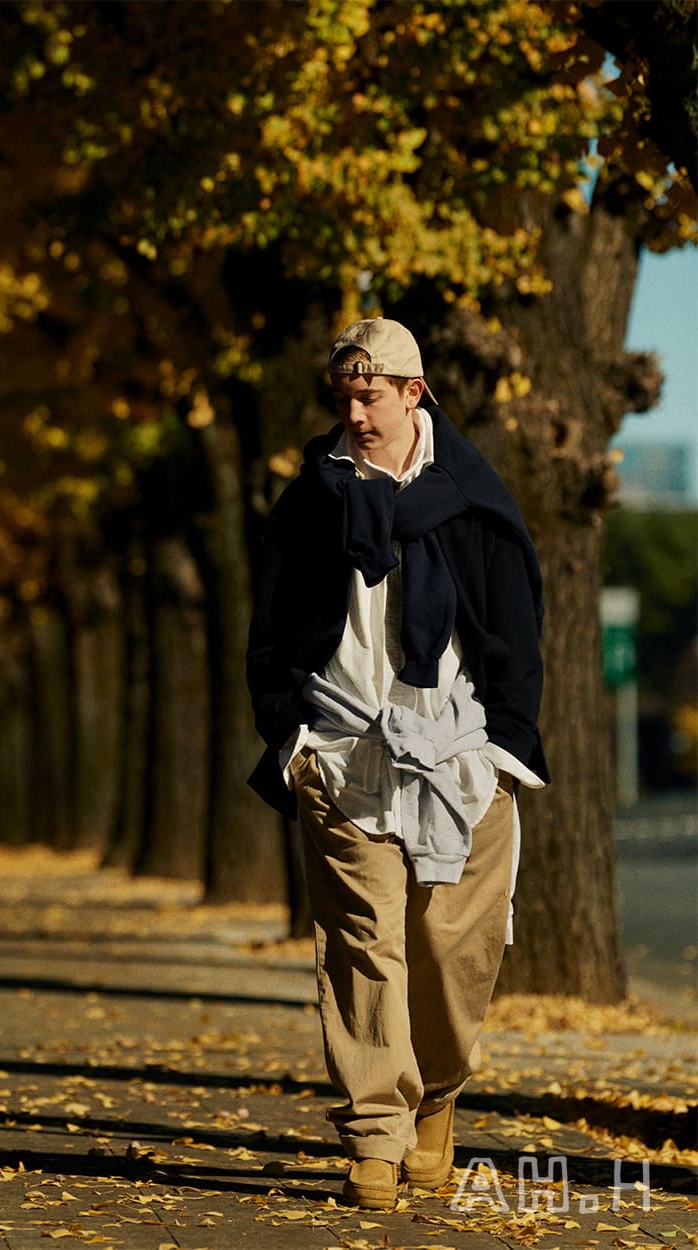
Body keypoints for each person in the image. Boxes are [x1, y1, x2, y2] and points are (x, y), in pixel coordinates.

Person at [246, 318, 548, 1211]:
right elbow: (269, 630)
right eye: (342, 395)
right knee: (362, 947)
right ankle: (375, 1130)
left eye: (369, 394)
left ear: (414, 393)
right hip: (342, 751)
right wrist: (290, 735)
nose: (354, 410)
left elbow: (519, 628)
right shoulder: (311, 500)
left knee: (452, 951)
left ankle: (440, 1093)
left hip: (458, 754)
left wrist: (503, 749)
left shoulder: (471, 496)